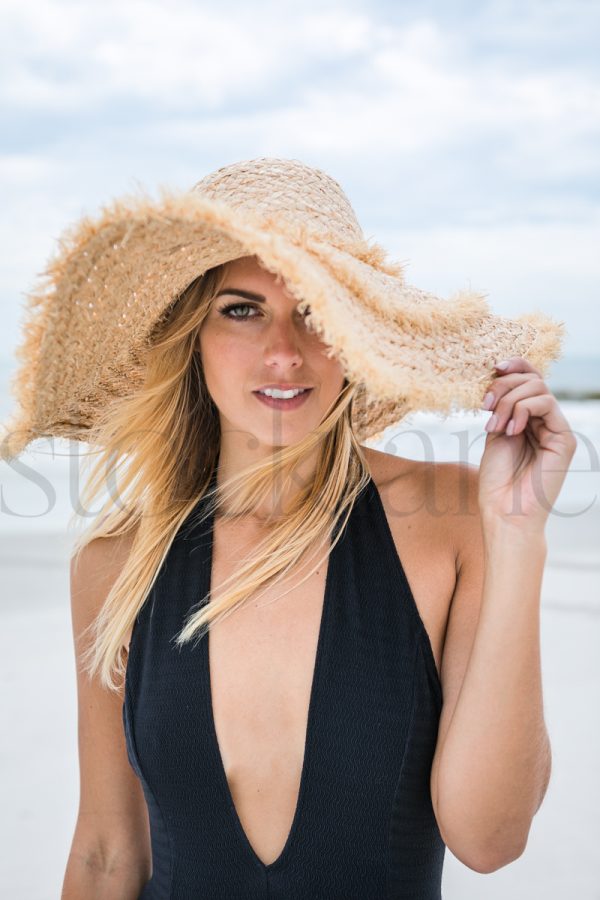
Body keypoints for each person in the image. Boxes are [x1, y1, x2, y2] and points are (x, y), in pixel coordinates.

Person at [1, 158, 576, 899]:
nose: (285, 350)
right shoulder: (117, 561)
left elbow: (490, 839)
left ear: (354, 338)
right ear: (192, 337)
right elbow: (108, 852)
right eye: (241, 309)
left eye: (313, 309)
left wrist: (519, 534)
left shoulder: (455, 522)